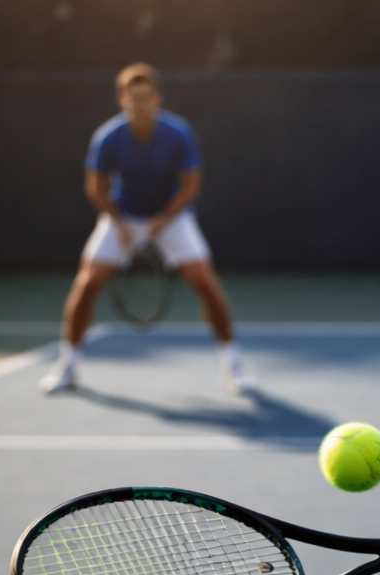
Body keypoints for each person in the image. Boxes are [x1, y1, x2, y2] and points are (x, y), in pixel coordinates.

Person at [40, 63, 254, 395]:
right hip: (121, 216)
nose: (140, 103)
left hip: (171, 217)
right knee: (86, 285)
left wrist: (161, 221)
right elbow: (95, 188)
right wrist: (121, 223)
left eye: (146, 97)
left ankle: (233, 364)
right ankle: (68, 365)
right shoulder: (108, 137)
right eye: (133, 97)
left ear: (157, 98)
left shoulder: (178, 133)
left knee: (205, 284)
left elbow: (190, 188)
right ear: (122, 100)